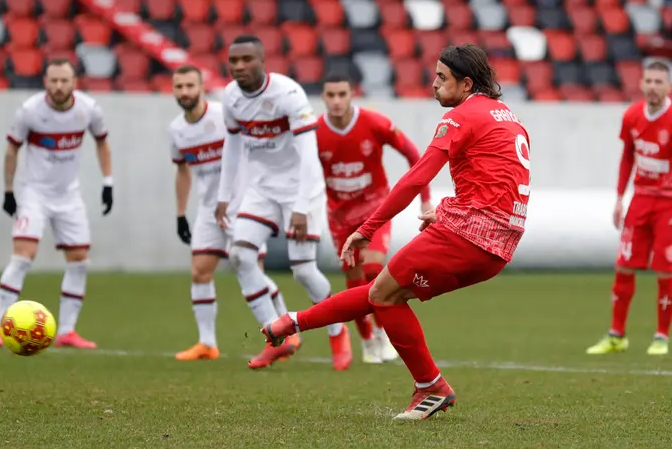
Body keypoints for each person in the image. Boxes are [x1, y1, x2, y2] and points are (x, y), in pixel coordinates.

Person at [261, 44, 532, 420]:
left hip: (468, 235)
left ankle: (430, 386)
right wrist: (452, 211)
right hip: (498, 242)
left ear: (466, 83)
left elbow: (416, 175)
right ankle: (293, 323)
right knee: (383, 290)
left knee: (384, 294)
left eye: (441, 77)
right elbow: (499, 180)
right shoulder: (508, 117)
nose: (433, 84)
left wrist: (367, 228)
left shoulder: (461, 117)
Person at [215, 35, 352, 371]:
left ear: (263, 62)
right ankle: (279, 337)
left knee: (304, 271)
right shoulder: (230, 98)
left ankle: (337, 331)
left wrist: (304, 206)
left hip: (299, 189)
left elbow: (308, 154)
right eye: (234, 61)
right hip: (261, 190)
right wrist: (224, 196)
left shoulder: (288, 93)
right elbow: (232, 148)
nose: (239, 67)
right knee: (240, 256)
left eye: (247, 60)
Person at [0, 59, 113, 349]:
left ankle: (67, 331)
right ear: (45, 81)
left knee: (79, 260)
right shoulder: (30, 111)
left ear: (74, 82)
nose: (58, 86)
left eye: (64, 80)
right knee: (22, 257)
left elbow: (102, 142)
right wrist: (9, 190)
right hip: (35, 194)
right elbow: (11, 150)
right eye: (53, 80)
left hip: (69, 195)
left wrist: (108, 182)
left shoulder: (89, 109)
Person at [168, 66, 290, 361]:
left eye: (189, 86)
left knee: (252, 271)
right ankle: (207, 343)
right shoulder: (176, 130)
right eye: (179, 86)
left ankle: (285, 328)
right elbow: (182, 170)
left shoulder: (224, 115)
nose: (184, 92)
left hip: (245, 206)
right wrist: (181, 213)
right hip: (210, 209)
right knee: (199, 272)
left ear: (201, 88)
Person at [586, 61, 672, 356]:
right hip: (640, 199)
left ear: (669, 87)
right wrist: (618, 198)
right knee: (624, 265)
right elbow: (628, 156)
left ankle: (661, 336)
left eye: (658, 82)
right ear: (641, 83)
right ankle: (617, 335)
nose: (652, 86)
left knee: (665, 270)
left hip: (671, 203)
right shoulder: (631, 116)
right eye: (648, 80)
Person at [316, 73, 433, 364]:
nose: (336, 101)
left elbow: (414, 155)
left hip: (375, 210)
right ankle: (367, 341)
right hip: (340, 217)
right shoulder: (314, 132)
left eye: (341, 94)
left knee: (373, 269)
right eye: (330, 95)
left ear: (351, 94)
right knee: (354, 281)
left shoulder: (375, 123)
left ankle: (382, 333)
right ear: (323, 97)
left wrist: (426, 197)